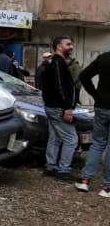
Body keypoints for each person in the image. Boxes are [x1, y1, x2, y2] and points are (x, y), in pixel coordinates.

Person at [38, 36, 78, 179]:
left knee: (55, 137)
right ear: (58, 46)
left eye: (71, 44)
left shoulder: (52, 63)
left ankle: (50, 166)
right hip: (58, 108)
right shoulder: (57, 63)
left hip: (52, 106)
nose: (71, 47)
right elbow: (60, 86)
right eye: (68, 44)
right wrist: (67, 107)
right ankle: (64, 170)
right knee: (71, 139)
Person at [75, 51, 110, 197]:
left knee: (97, 143)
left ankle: (85, 180)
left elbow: (83, 76)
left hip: (102, 106)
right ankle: (107, 188)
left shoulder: (104, 57)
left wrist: (95, 94)